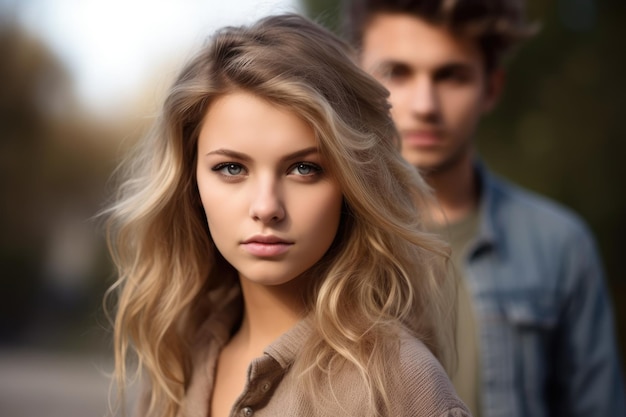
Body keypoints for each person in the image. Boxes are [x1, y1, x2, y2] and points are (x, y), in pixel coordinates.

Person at [103, 13, 471, 417]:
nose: (266, 208)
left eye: (303, 168)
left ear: (353, 184)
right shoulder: (176, 366)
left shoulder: (399, 383)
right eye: (231, 168)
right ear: (190, 183)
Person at [343, 1, 626, 416]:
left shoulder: (560, 245)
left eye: (451, 76)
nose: (425, 104)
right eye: (396, 72)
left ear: (491, 88)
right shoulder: (319, 237)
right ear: (356, 77)